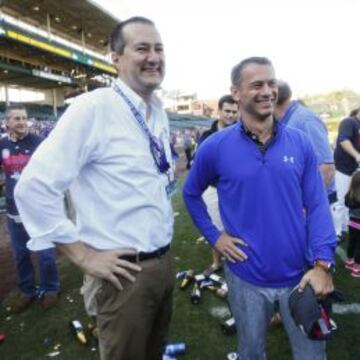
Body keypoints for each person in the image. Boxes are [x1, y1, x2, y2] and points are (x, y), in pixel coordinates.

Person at [15, 17, 174, 360]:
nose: (154, 57)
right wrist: (84, 257)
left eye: (159, 48)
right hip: (123, 275)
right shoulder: (94, 108)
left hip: (162, 263)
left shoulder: (157, 112)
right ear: (115, 58)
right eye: (142, 48)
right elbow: (33, 187)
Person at [183, 56, 337, 360]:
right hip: (245, 278)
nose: (268, 91)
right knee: (251, 352)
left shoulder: (301, 143)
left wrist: (322, 265)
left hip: (300, 275)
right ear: (236, 92)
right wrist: (215, 237)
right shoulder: (215, 146)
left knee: (311, 355)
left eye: (271, 83)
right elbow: (190, 193)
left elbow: (318, 206)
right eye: (257, 85)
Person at [0, 104, 60, 313]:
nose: (22, 122)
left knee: (45, 253)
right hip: (14, 210)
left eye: (24, 118)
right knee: (21, 255)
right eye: (16, 118)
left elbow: (52, 172)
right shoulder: (2, 144)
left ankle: (50, 288)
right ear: (7, 122)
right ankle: (28, 291)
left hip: (38, 210)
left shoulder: (39, 143)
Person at [275, 81, 336, 205]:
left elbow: (326, 168)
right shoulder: (285, 121)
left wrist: (305, 205)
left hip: (316, 206)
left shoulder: (305, 120)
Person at [198, 95, 239, 274]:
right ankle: (216, 262)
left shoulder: (243, 133)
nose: (230, 115)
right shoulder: (207, 136)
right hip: (213, 189)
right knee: (216, 228)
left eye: (234, 112)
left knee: (238, 225)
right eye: (227, 111)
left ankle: (238, 259)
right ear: (219, 111)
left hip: (237, 190)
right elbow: (200, 164)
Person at [333, 108, 360, 240]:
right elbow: (344, 141)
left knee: (355, 199)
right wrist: (357, 156)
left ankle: (350, 226)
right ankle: (338, 230)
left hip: (357, 170)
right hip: (345, 168)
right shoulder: (349, 122)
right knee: (342, 200)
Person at [344, 169, 360, 277]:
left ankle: (349, 261)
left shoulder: (349, 195)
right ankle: (357, 269)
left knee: (352, 243)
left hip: (351, 223)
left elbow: (346, 205)